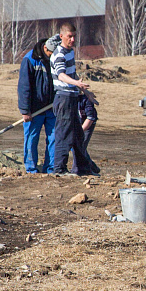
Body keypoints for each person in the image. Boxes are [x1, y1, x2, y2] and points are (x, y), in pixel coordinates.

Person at [47, 22, 98, 177]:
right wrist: (76, 83)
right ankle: (59, 170)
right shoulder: (59, 54)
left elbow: (72, 74)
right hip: (63, 98)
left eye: (74, 36)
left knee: (77, 135)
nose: (73, 39)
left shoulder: (70, 52)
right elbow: (62, 75)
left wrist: (85, 92)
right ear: (62, 36)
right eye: (70, 36)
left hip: (72, 96)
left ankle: (83, 168)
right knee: (64, 134)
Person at [17, 38, 56, 174]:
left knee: (54, 138)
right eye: (51, 53)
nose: (53, 56)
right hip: (34, 110)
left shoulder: (54, 59)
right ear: (45, 48)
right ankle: (31, 169)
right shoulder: (30, 60)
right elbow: (24, 87)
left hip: (51, 107)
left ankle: (51, 169)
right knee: (32, 139)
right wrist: (25, 110)